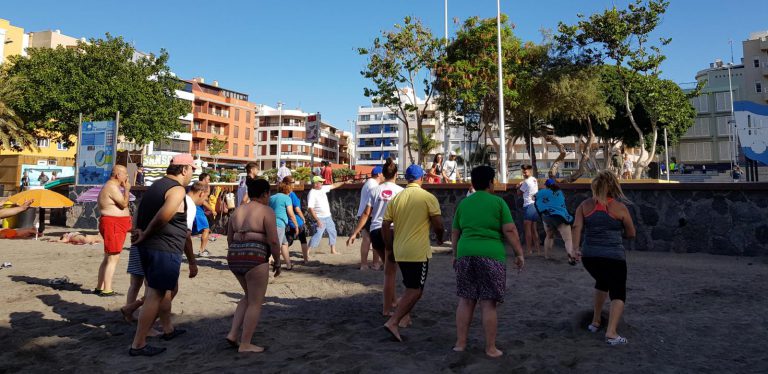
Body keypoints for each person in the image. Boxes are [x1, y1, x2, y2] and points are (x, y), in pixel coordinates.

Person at [128, 154, 198, 357]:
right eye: (192, 169)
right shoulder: (176, 190)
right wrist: (146, 233)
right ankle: (138, 343)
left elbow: (140, 210)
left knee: (164, 291)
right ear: (184, 169)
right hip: (163, 249)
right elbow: (162, 217)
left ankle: (167, 329)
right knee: (155, 295)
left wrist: (138, 232)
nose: (192, 173)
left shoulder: (156, 186)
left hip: (150, 247)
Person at [452, 165, 524, 358]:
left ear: (473, 183)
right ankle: (490, 348)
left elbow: (455, 232)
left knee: (466, 300)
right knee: (488, 303)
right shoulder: (498, 203)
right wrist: (519, 253)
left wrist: (455, 254)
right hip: (491, 255)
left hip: (465, 253)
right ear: (491, 183)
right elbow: (510, 230)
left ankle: (460, 343)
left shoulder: (464, 204)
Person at [120, 180, 206, 326]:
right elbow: (185, 235)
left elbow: (137, 215)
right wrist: (192, 262)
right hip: (158, 246)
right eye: (206, 197)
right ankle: (146, 325)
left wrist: (137, 231)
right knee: (159, 290)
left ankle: (138, 315)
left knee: (138, 283)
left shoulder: (155, 195)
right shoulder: (186, 203)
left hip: (139, 242)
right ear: (202, 193)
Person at [571, 171, 636, 346]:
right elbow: (631, 233)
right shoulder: (620, 208)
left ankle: (595, 322)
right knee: (618, 291)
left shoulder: (584, 205)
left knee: (602, 282)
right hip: (613, 256)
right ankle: (611, 333)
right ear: (614, 187)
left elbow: (576, 227)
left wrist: (575, 249)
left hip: (590, 257)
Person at [382, 164, 443, 342]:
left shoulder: (397, 198)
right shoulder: (427, 197)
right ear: (421, 178)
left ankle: (403, 319)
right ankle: (394, 321)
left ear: (406, 178)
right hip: (417, 251)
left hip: (399, 249)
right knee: (416, 290)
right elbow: (438, 224)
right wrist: (440, 238)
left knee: (411, 287)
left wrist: (389, 246)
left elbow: (385, 225)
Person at [225, 178, 281, 353]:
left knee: (248, 296)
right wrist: (277, 261)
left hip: (234, 255)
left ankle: (233, 334)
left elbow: (229, 237)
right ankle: (245, 343)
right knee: (256, 302)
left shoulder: (237, 211)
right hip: (255, 255)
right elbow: (273, 240)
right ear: (265, 194)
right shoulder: (266, 211)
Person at [348, 158, 403, 316]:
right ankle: (387, 308)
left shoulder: (374, 190)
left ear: (383, 174)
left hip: (375, 231)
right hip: (391, 231)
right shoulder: (401, 191)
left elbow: (366, 214)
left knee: (388, 269)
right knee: (390, 272)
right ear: (396, 174)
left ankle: (392, 301)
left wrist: (355, 232)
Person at [94, 165, 132, 297]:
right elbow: (123, 204)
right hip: (113, 224)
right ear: (118, 175)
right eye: (125, 174)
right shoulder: (111, 187)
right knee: (113, 257)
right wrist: (127, 190)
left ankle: (100, 286)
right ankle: (107, 289)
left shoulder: (110, 186)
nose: (127, 177)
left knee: (108, 257)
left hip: (115, 224)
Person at [535, 179, 575, 261]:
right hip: (561, 217)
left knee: (549, 236)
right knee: (567, 239)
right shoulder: (560, 192)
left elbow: (534, 198)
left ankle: (546, 255)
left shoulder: (542, 192)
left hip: (547, 217)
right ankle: (570, 256)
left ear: (546, 185)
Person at [351, 166, 383, 270]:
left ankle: (365, 264)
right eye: (382, 173)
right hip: (369, 215)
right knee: (373, 240)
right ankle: (374, 263)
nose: (384, 175)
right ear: (378, 174)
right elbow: (374, 202)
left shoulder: (368, 183)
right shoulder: (373, 185)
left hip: (365, 214)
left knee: (367, 239)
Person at [307, 176, 345, 258]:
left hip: (328, 216)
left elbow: (334, 185)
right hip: (320, 217)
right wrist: (317, 220)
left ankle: (333, 250)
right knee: (318, 234)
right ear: (316, 184)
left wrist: (344, 182)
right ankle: (307, 251)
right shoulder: (312, 193)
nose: (322, 183)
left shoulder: (322, 188)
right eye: (320, 182)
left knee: (333, 232)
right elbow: (310, 208)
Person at [269, 181, 299, 270]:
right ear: (287, 189)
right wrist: (296, 225)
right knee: (276, 246)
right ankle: (268, 263)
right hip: (279, 224)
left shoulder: (272, 197)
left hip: (270, 223)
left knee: (284, 244)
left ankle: (288, 265)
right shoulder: (286, 198)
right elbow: (291, 213)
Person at [282, 176, 311, 264]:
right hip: (297, 221)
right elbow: (297, 209)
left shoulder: (282, 194)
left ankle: (275, 257)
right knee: (302, 240)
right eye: (293, 182)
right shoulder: (292, 194)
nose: (295, 184)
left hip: (289, 221)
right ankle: (306, 260)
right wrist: (303, 217)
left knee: (287, 241)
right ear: (288, 184)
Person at [516, 165, 541, 256]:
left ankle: (529, 250)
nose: (523, 173)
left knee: (527, 230)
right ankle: (538, 250)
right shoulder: (534, 179)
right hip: (535, 205)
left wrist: (518, 186)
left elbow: (519, 193)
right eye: (523, 171)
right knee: (534, 229)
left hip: (528, 206)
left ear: (530, 171)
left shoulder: (526, 182)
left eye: (525, 172)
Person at [193, 173, 213, 257]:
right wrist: (212, 210)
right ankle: (202, 250)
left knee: (189, 231)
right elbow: (203, 201)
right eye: (208, 179)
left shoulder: (195, 185)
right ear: (204, 179)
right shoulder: (204, 187)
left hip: (194, 208)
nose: (209, 181)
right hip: (198, 210)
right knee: (206, 229)